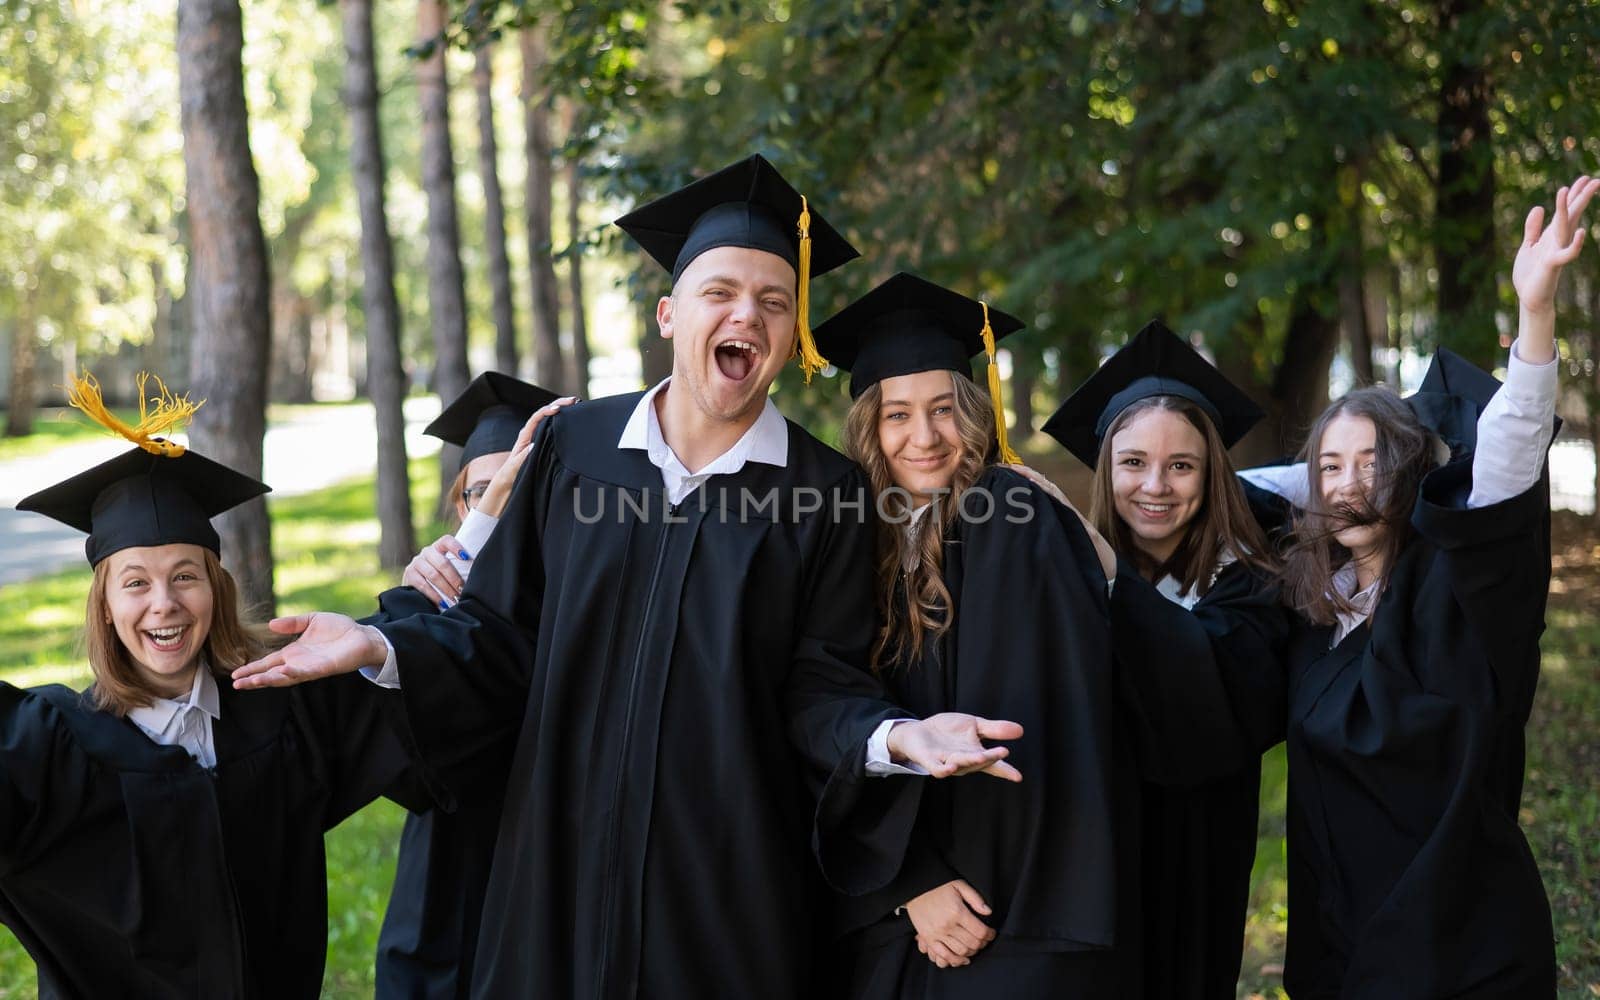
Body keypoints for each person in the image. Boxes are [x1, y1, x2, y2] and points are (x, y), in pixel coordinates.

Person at [232, 156, 1020, 999]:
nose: (746, 314)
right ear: (669, 311)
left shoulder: (823, 493)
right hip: (557, 863)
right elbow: (499, 636)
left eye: (774, 301)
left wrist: (894, 738)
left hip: (722, 886)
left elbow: (818, 682)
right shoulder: (575, 453)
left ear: (793, 338)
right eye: (720, 292)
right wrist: (382, 648)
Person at [811, 273, 1261, 997]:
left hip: (1008, 924)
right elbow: (820, 703)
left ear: (974, 411)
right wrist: (910, 884)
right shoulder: (845, 541)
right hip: (899, 919)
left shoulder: (1010, 518)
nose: (922, 437)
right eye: (896, 415)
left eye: (941, 410)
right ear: (869, 427)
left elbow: (1039, 726)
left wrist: (951, 890)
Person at [1242, 175, 1593, 998]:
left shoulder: (1461, 596)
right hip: (1340, 949)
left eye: (1376, 463)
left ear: (1412, 472)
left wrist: (1535, 319)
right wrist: (1333, 469)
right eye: (1330, 468)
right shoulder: (1313, 610)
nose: (1350, 485)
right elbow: (1248, 493)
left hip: (1459, 951)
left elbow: (1505, 461)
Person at [1, 373, 424, 997]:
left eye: (185, 576)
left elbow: (429, 677)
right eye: (136, 582)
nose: (164, 604)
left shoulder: (282, 709)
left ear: (216, 587)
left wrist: (470, 545)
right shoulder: (56, 751)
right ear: (105, 605)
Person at [1042, 321, 1289, 1000]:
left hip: (1198, 856)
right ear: (1104, 467)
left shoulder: (1252, 578)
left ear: (1212, 475)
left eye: (1182, 465)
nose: (1157, 485)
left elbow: (1223, 699)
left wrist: (1115, 577)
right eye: (1132, 463)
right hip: (1083, 856)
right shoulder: (1057, 575)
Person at [373, 371, 570, 999]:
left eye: (520, 485)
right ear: (461, 505)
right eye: (483, 491)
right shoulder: (435, 592)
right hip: (452, 867)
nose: (500, 505)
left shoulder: (584, 584)